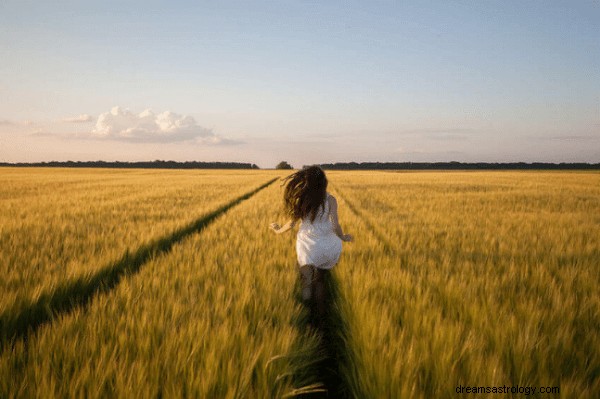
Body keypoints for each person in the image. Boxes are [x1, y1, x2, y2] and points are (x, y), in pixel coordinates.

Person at [269, 166, 353, 309]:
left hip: (307, 244)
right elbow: (335, 225)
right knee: (320, 279)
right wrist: (343, 237)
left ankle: (306, 308)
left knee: (306, 279)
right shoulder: (331, 199)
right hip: (327, 244)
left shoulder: (303, 199)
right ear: (323, 183)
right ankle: (320, 311)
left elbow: (291, 224)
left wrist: (278, 230)